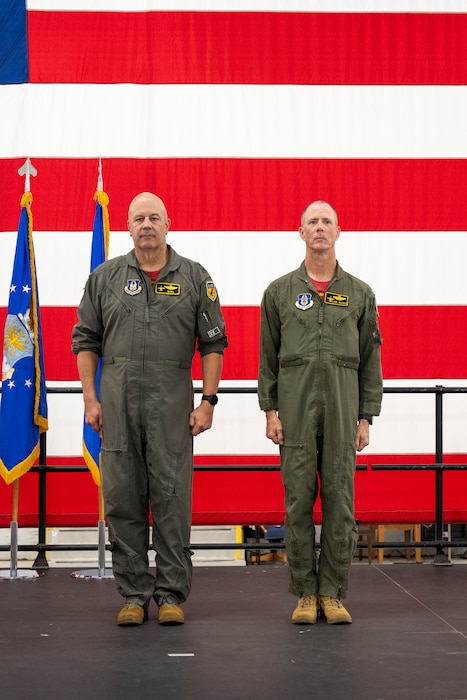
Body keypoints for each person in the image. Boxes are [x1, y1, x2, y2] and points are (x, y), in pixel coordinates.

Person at [72, 192, 228, 627]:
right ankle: (134, 595)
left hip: (171, 406)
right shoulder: (104, 278)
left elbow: (213, 343)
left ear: (167, 224)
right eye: (138, 218)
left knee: (172, 499)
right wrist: (90, 398)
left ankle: (172, 594)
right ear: (127, 227)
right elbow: (85, 341)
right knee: (122, 499)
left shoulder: (195, 277)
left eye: (153, 217)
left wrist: (209, 401)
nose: (146, 224)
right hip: (118, 405)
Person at [258, 200, 382, 625]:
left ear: (338, 231)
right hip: (294, 409)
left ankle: (331, 591)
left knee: (340, 502)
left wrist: (366, 417)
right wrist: (270, 411)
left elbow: (371, 361)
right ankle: (304, 593)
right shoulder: (278, 292)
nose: (320, 228)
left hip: (344, 409)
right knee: (297, 502)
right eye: (312, 221)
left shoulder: (361, 293)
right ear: (301, 232)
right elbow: (267, 357)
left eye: (327, 221)